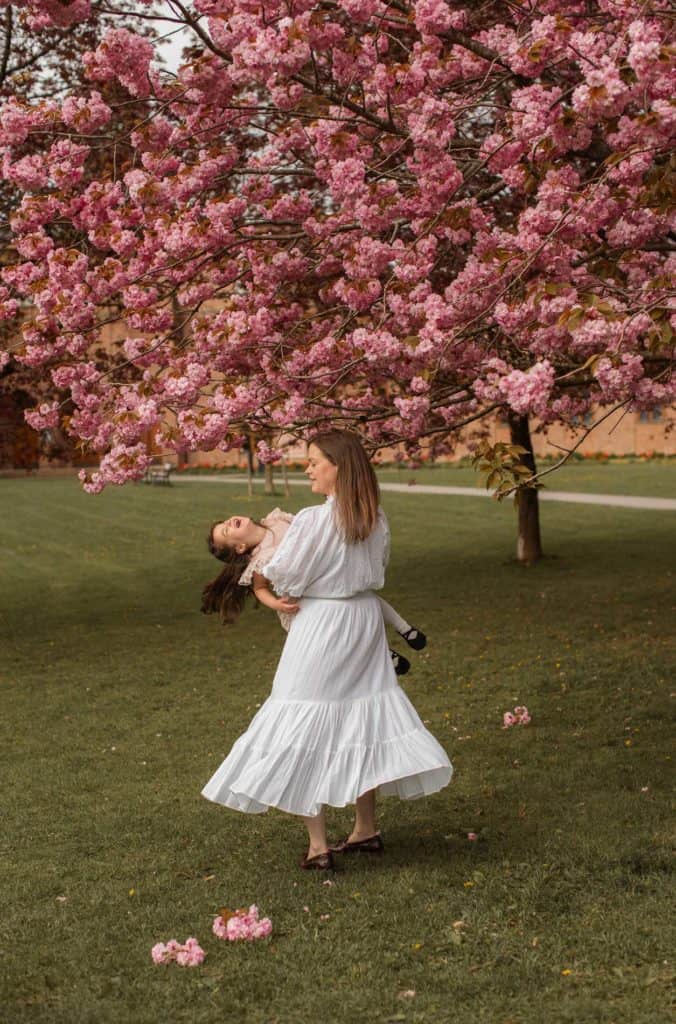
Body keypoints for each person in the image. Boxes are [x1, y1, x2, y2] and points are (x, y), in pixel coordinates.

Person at [201, 430, 452, 871]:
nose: (308, 468)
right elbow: (376, 570)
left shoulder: (316, 520)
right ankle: (365, 828)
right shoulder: (376, 517)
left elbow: (286, 576)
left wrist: (272, 564)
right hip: (363, 624)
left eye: (315, 461)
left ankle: (318, 846)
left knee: (300, 720)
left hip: (322, 626)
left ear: (339, 466)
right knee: (360, 717)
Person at [201, 507, 428, 675]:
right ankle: (384, 655)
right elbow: (259, 588)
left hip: (324, 572)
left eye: (226, 522)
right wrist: (276, 604)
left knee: (366, 599)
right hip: (305, 601)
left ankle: (406, 630)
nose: (230, 522)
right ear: (240, 547)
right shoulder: (261, 559)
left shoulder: (277, 520)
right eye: (226, 531)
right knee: (342, 637)